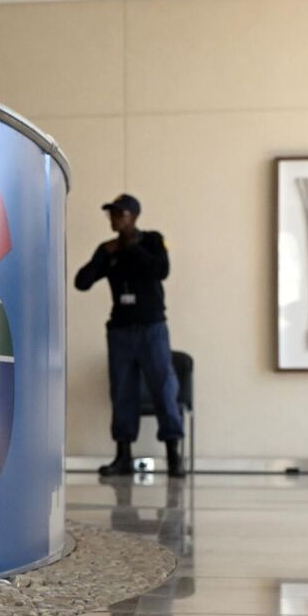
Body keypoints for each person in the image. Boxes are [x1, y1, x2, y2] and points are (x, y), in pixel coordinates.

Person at [74, 194, 184, 477]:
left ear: (134, 216)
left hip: (152, 329)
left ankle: (173, 455)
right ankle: (123, 455)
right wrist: (105, 254)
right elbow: (82, 282)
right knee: (122, 392)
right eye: (111, 214)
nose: (114, 219)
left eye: (120, 214)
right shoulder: (108, 249)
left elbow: (161, 270)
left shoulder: (152, 240)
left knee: (163, 388)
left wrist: (132, 247)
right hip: (120, 332)